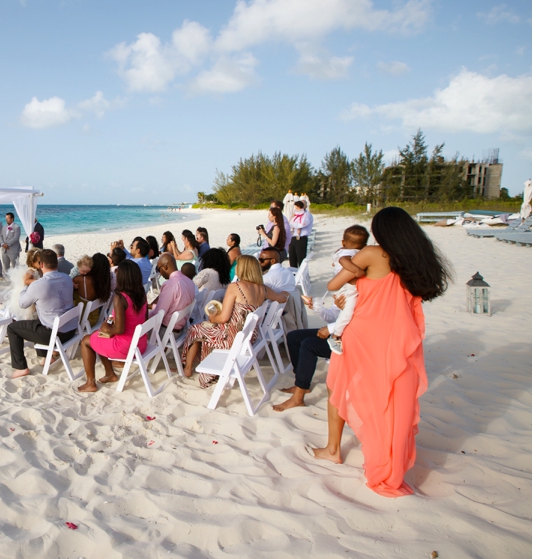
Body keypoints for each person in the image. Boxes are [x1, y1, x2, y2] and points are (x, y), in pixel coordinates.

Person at [310, 207, 450, 497]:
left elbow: (333, 283)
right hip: (397, 336)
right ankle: (391, 460)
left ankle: (333, 449)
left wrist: (349, 269)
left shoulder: (372, 253)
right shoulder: (414, 259)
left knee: (338, 385)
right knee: (392, 398)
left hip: (363, 334)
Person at [271, 225, 368, 411]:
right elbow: (334, 315)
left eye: (338, 267)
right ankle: (301, 381)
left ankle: (299, 396)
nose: (335, 269)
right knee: (294, 337)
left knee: (309, 344)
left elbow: (350, 315)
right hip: (340, 328)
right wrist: (316, 305)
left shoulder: (354, 286)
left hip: (349, 338)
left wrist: (331, 330)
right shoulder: (345, 287)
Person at [183, 254, 287, 384]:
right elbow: (282, 298)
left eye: (237, 266)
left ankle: (187, 368)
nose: (235, 268)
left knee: (194, 329)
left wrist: (213, 317)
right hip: (249, 335)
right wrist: (285, 293)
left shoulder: (236, 287)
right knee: (202, 328)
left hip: (231, 337)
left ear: (243, 268)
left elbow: (224, 318)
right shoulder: (263, 288)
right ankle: (195, 364)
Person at [78, 260, 149, 392]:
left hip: (126, 347)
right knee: (99, 337)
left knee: (86, 341)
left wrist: (107, 328)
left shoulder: (120, 298)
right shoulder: (141, 293)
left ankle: (90, 383)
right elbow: (143, 319)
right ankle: (110, 374)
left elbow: (119, 330)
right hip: (140, 344)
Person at [7, 249, 79, 378]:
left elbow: (22, 304)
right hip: (71, 330)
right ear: (56, 263)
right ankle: (46, 357)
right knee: (40, 320)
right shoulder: (67, 278)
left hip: (55, 335)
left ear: (41, 264)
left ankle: (21, 367)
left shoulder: (39, 284)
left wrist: (25, 284)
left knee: (12, 328)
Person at [149, 253, 196, 330]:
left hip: (166, 331)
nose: (160, 273)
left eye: (158, 269)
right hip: (181, 328)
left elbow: (159, 314)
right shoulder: (189, 281)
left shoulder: (170, 284)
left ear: (165, 267)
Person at [288, 200, 313, 268]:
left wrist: (293, 225)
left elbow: (301, 225)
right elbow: (289, 224)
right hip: (293, 237)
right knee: (292, 258)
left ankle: (302, 276)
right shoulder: (295, 214)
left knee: (301, 259)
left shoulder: (307, 215)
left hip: (301, 238)